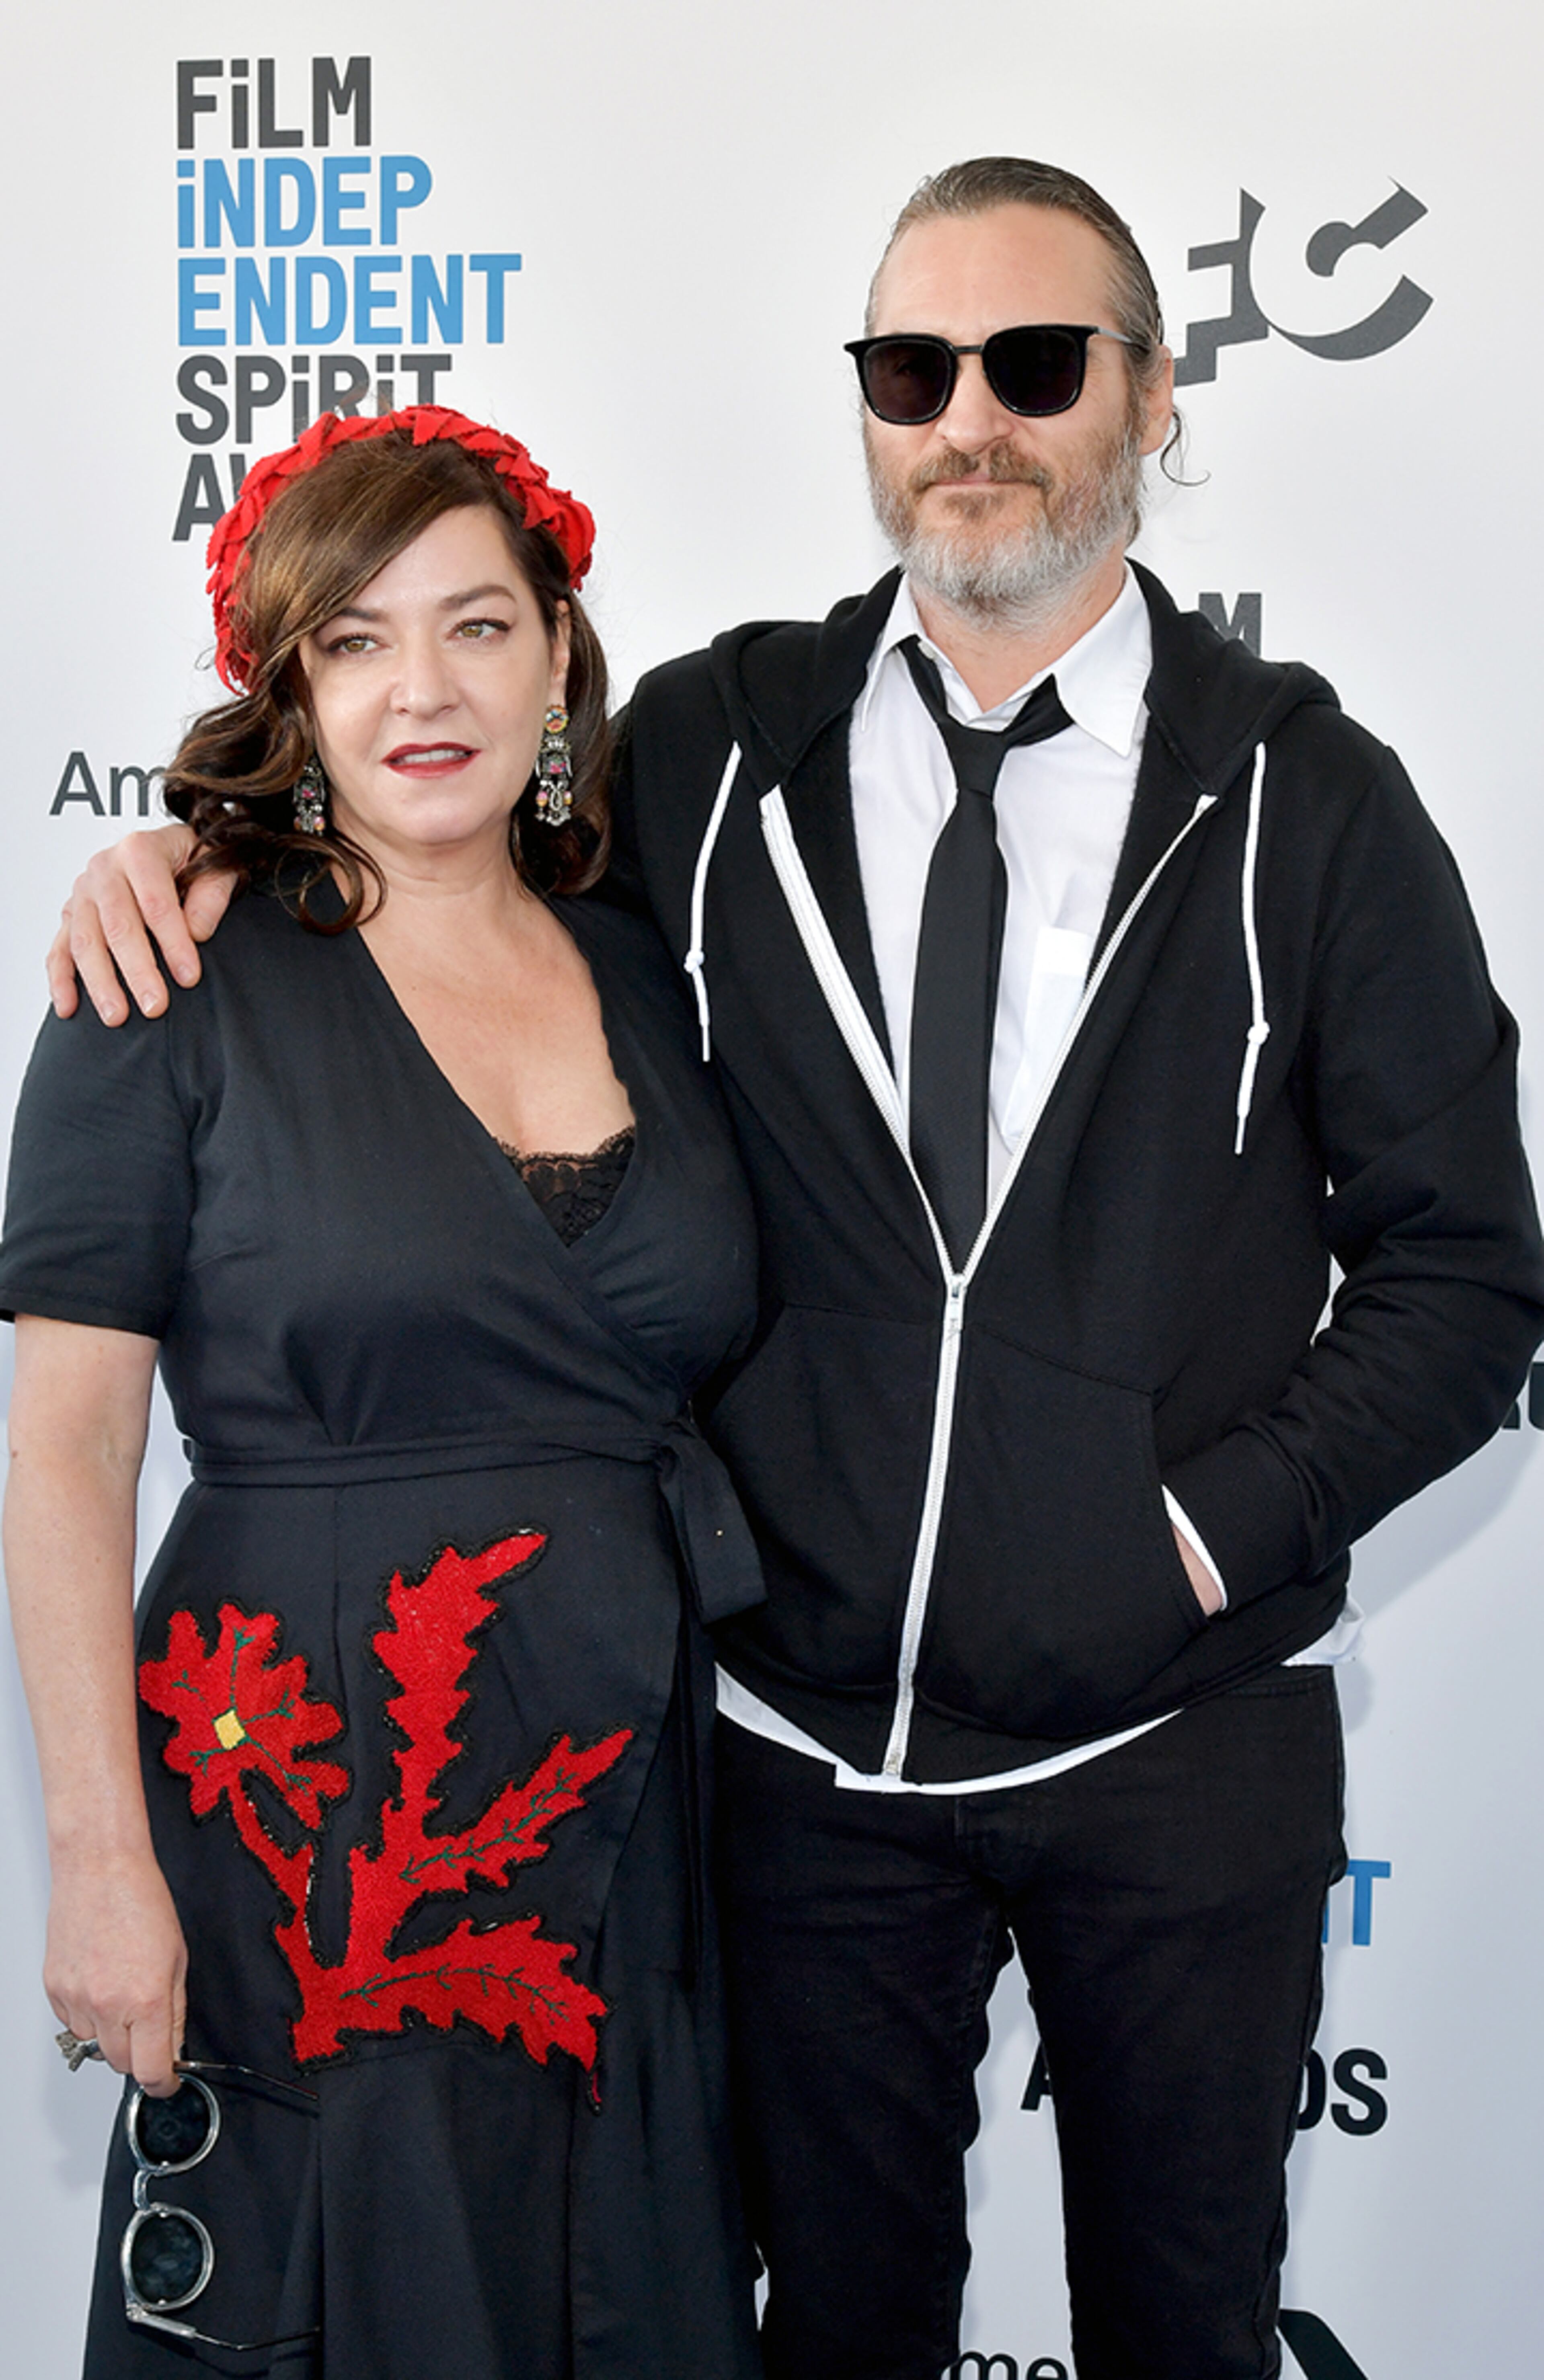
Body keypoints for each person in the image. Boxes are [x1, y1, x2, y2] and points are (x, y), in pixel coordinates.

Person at [45, 161, 1544, 2380]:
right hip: (792, 1761)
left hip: (1177, 1744)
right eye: (911, 368)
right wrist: (192, 844)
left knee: (1188, 2332)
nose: (972, 418)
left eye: (1036, 364)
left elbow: (1471, 1279)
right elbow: (427, 834)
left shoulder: (1314, 808)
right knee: (820, 2333)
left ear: (1151, 403)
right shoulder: (717, 749)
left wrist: (1196, 1539)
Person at [2, 406, 764, 2379]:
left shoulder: (650, 971)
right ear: (292, 688)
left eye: (478, 626)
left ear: (561, 662)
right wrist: (98, 1857)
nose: (423, 689)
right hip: (314, 1813)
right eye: (357, 639)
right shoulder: (166, 971)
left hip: (625, 1811)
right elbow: (67, 1448)